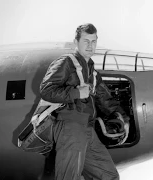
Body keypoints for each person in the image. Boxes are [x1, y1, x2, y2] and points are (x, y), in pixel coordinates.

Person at [40, 23, 130, 180]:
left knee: (109, 176)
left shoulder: (92, 72)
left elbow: (105, 99)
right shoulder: (66, 63)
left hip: (88, 130)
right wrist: (76, 93)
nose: (90, 45)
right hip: (70, 127)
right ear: (76, 42)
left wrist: (124, 118)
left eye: (93, 41)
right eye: (86, 41)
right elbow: (46, 90)